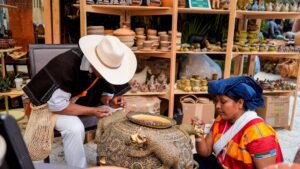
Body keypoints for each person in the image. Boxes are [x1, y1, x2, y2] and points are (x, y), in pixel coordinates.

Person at [23, 35, 137, 168]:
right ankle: (78, 167)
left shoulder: (106, 64)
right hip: (50, 106)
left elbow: (101, 92)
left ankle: (106, 161)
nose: (108, 74)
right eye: (105, 70)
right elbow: (57, 106)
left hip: (81, 100)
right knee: (75, 128)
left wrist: (110, 101)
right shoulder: (65, 65)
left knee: (119, 116)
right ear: (95, 62)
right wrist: (93, 111)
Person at [191, 76, 283, 169]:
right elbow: (205, 152)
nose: (217, 106)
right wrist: (199, 133)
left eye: (223, 101)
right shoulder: (221, 120)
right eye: (216, 101)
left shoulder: (259, 134)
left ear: (240, 103)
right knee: (192, 160)